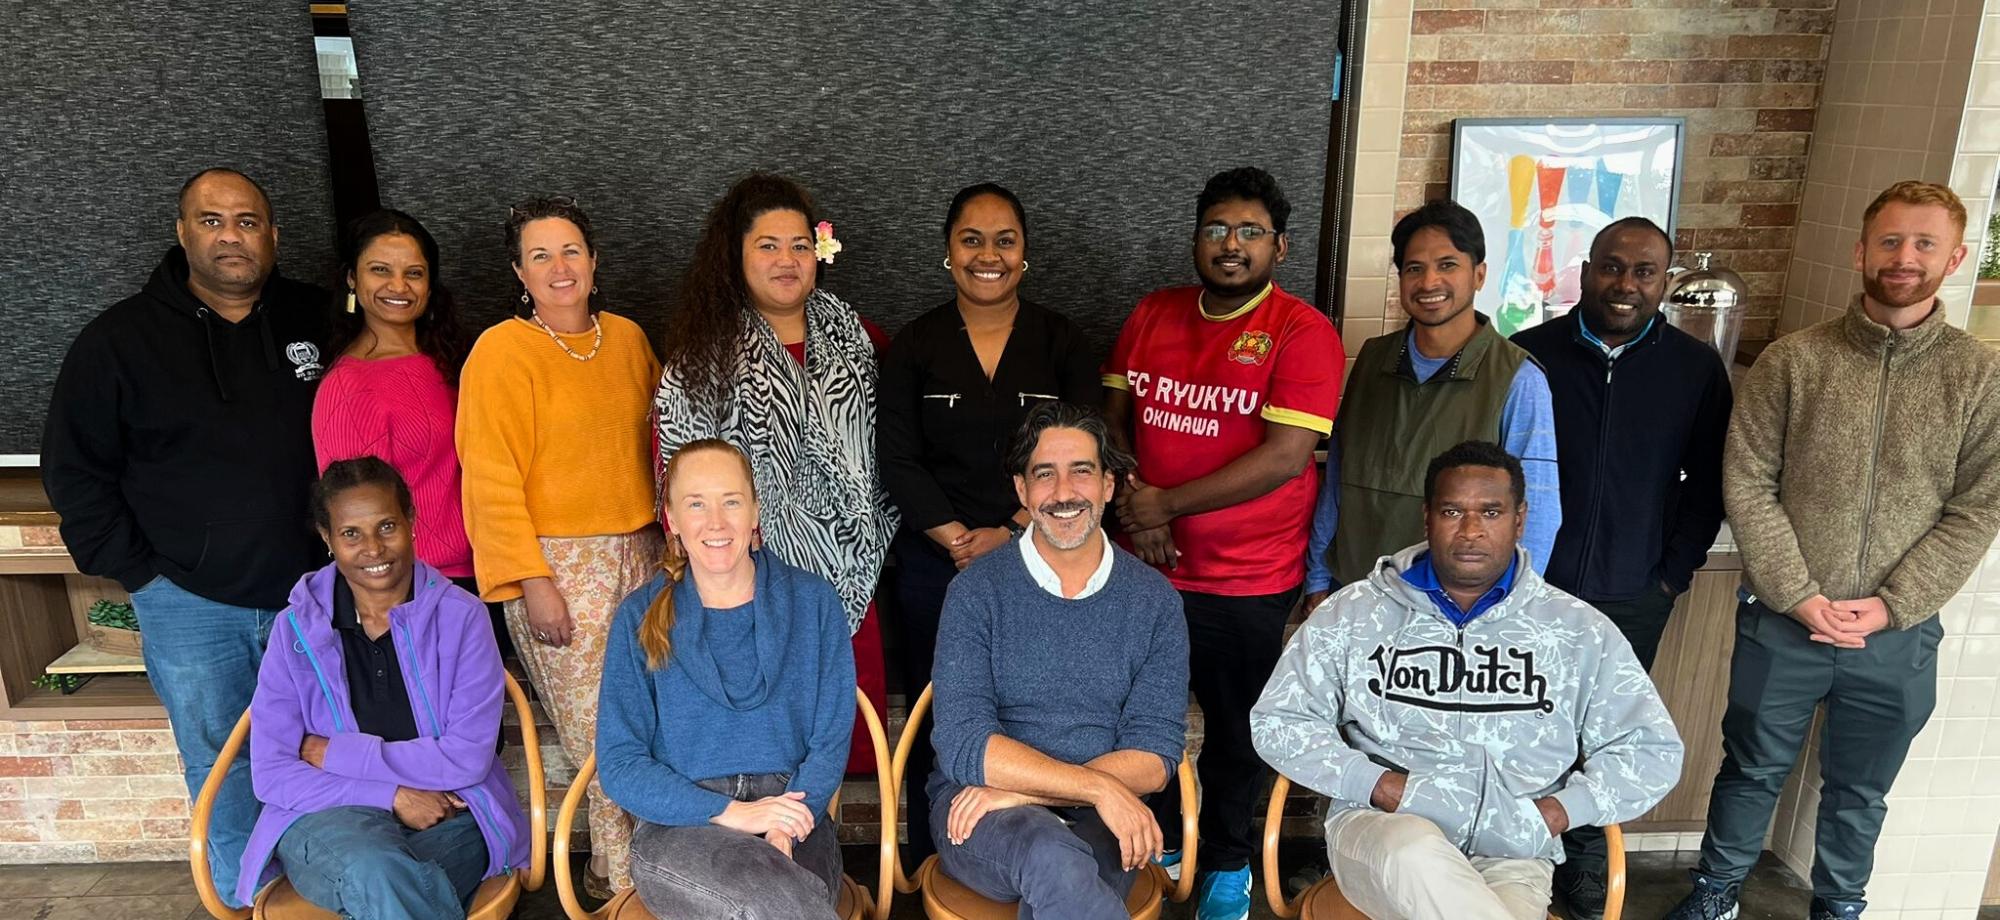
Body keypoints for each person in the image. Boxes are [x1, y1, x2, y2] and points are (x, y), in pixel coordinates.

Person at [1666, 181, 2000, 920]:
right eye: (1889, 241)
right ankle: (1716, 893)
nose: (1903, 258)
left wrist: (1889, 606)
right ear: (1860, 250)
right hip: (1785, 620)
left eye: (1923, 244)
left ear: (1956, 258)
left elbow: (1978, 509)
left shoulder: (1980, 378)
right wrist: (1799, 594)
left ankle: (1840, 904)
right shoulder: (1795, 362)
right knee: (1751, 768)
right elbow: (1747, 481)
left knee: (1859, 787)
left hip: (1897, 635)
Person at [41, 167, 329, 906]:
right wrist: (140, 574)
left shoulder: (315, 319)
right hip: (191, 605)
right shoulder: (118, 342)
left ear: (274, 234)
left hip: (316, 596)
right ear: (181, 232)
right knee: (222, 762)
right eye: (212, 220)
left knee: (330, 752)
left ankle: (329, 890)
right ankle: (250, 896)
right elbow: (74, 470)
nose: (231, 236)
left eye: (247, 221)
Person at [1253, 440, 1683, 920]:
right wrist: (1380, 785)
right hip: (1383, 832)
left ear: (1519, 520)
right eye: (1453, 510)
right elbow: (1279, 721)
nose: (1472, 530)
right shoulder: (1354, 614)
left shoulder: (1577, 631)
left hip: (1515, 852)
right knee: (1413, 850)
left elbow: (1650, 750)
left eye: (1492, 512)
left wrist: (1559, 811)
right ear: (1427, 518)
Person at [1100, 166, 1343, 920]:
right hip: (1150, 577)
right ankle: (1168, 836)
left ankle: (1231, 864)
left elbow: (1284, 457)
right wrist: (1147, 513)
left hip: (1248, 581)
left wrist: (1162, 503)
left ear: (1280, 246)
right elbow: (1111, 418)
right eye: (1215, 230)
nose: (1230, 245)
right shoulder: (1153, 312)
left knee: (1240, 734)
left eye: (1248, 233)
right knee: (1144, 722)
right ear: (1195, 238)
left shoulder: (1304, 332)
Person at [1510, 217, 1731, 919]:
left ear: (1664, 283)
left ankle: (1582, 872)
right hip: (1532, 588)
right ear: (1585, 270)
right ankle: (1513, 859)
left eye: (1643, 272)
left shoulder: (1693, 370)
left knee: (1602, 736)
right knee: (1521, 724)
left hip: (1634, 590)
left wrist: (1671, 573)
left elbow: (1710, 483)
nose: (1625, 284)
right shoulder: (1528, 356)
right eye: (1612, 267)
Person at [876, 182, 1100, 868]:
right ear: (948, 252)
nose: (988, 255)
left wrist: (1011, 530)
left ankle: (1040, 850)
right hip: (931, 565)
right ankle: (929, 856)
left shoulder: (1063, 341)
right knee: (934, 711)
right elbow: (897, 457)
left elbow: (1085, 448)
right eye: (972, 239)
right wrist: (954, 538)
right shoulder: (916, 343)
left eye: (1005, 240)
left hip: (1040, 555)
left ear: (1025, 254)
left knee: (1034, 703)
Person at [654, 172, 897, 775]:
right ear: (735, 256)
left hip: (851, 558)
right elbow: (676, 462)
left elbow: (897, 441)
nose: (786, 260)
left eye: (799, 245)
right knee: (776, 728)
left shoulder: (859, 337)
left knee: (849, 719)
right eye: (767, 245)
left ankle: (841, 855)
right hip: (754, 565)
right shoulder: (703, 353)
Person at [456, 195, 662, 896]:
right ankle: (626, 883)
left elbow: (664, 449)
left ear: (595, 261)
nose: (559, 266)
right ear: (520, 271)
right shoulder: (501, 351)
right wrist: (530, 579)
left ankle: (634, 871)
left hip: (644, 557)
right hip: (559, 567)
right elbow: (488, 476)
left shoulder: (630, 340)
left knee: (651, 722)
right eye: (540, 255)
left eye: (571, 250)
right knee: (599, 739)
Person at [927, 401, 1189, 920]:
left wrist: (1029, 791)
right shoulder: (975, 593)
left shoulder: (1155, 602)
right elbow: (962, 743)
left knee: (1066, 873)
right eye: (1045, 475)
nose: (1065, 493)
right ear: (1022, 492)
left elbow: (1156, 757)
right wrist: (1091, 786)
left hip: (1098, 813)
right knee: (1053, 856)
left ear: (1109, 486)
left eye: (1082, 472)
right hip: (978, 812)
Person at [238, 457, 529, 917]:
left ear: (412, 522)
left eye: (387, 525)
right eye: (351, 533)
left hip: (450, 815)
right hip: (329, 819)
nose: (373, 548)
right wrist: (392, 795)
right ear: (327, 538)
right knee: (375, 873)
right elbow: (272, 774)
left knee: (379, 886)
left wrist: (333, 754)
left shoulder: (463, 618)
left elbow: (466, 758)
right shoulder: (294, 630)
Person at [597, 438, 857, 920]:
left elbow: (830, 739)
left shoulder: (815, 603)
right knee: (776, 902)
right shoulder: (638, 615)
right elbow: (620, 762)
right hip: (681, 826)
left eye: (731, 501)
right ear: (672, 518)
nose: (715, 522)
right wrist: (735, 815)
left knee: (775, 900)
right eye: (697, 504)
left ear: (755, 510)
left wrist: (784, 827)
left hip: (794, 811)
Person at [1306, 199, 1560, 612]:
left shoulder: (1518, 378)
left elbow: (1540, 512)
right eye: (1414, 268)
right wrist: (1318, 575)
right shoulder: (1372, 360)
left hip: (1457, 605)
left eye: (1447, 265)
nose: (1429, 282)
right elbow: (1338, 478)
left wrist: (1513, 608)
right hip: (1355, 591)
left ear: (1479, 274)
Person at [313, 210, 475, 591]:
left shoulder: (452, 358)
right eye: (380, 270)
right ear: (353, 279)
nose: (398, 286)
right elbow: (352, 515)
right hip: (418, 582)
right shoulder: (347, 387)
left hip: (488, 570)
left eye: (414, 273)